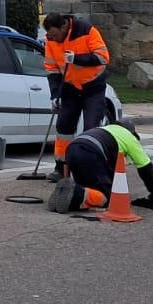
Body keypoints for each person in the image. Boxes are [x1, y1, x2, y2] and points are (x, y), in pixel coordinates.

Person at [41, 11, 111, 179]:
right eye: (50, 35)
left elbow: (103, 57)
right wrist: (55, 95)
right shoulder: (51, 41)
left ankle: (90, 169)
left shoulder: (87, 30)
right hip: (70, 88)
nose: (53, 38)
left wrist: (77, 58)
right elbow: (52, 70)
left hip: (92, 87)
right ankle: (61, 167)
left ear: (64, 26)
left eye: (55, 34)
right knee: (63, 127)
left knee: (91, 129)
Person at [49, 118, 153, 214]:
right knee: (110, 199)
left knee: (91, 188)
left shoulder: (104, 129)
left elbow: (108, 169)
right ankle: (76, 194)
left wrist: (66, 176)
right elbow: (145, 167)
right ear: (131, 131)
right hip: (91, 153)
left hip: (72, 149)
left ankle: (67, 193)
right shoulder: (129, 137)